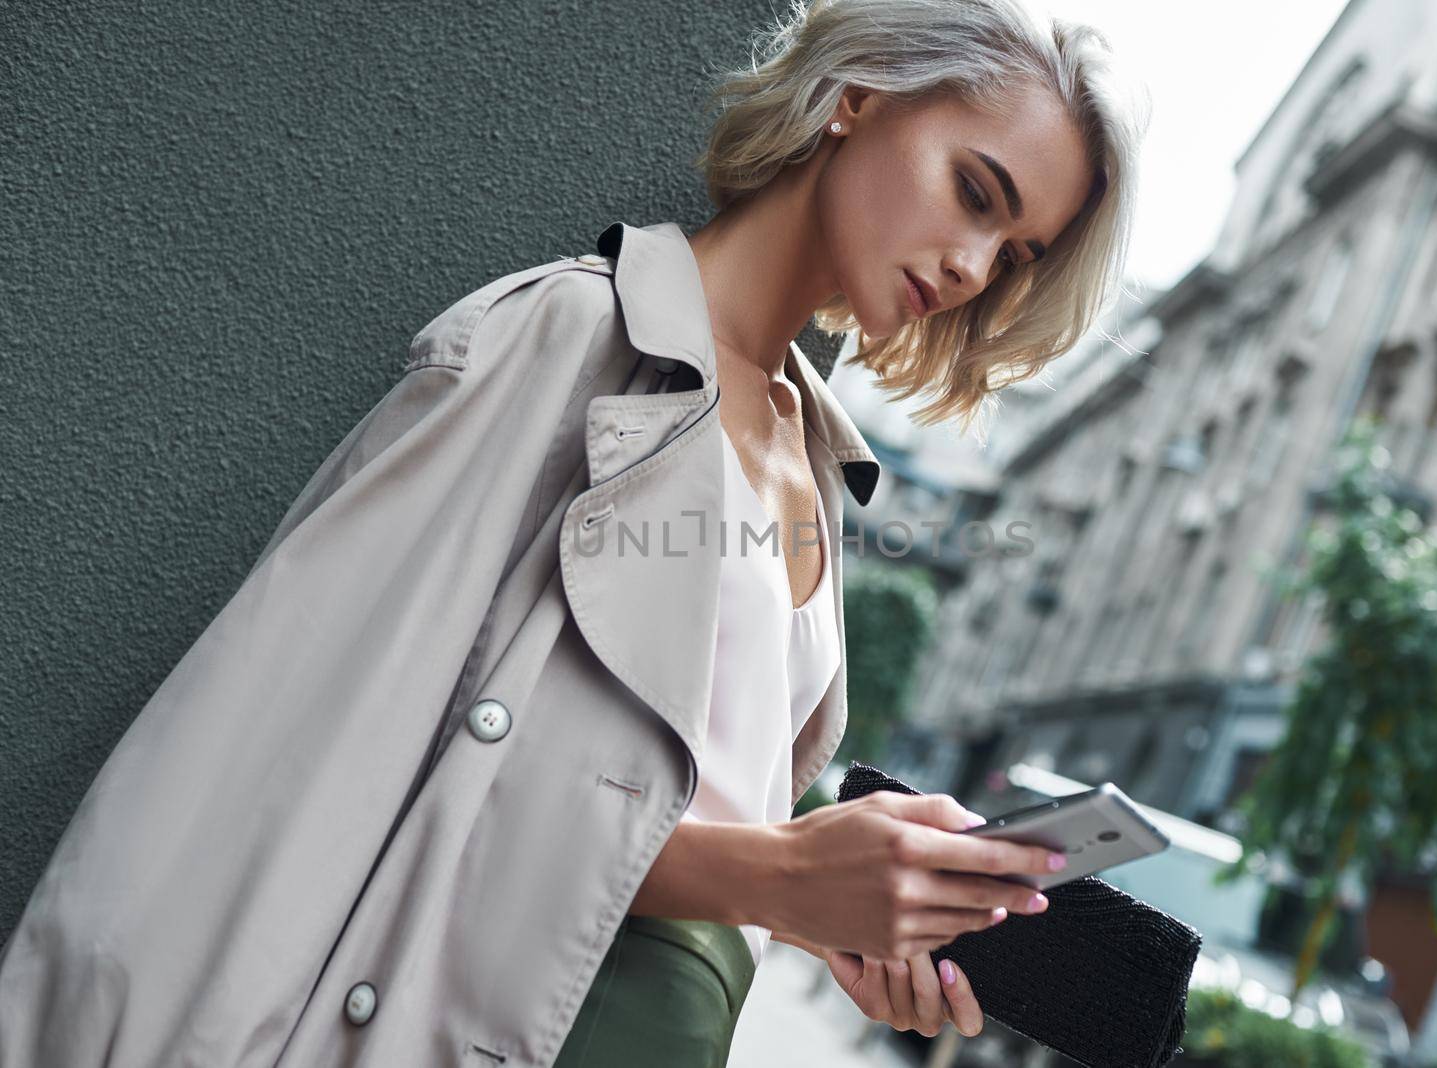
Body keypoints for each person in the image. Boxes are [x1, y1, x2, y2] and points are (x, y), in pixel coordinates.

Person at [0, 0, 1147, 1064]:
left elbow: (642, 798)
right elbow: (290, 749)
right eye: (977, 192)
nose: (971, 266)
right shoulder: (567, 342)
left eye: (1014, 255)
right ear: (861, 97)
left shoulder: (815, 459)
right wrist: (776, 875)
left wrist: (840, 906)